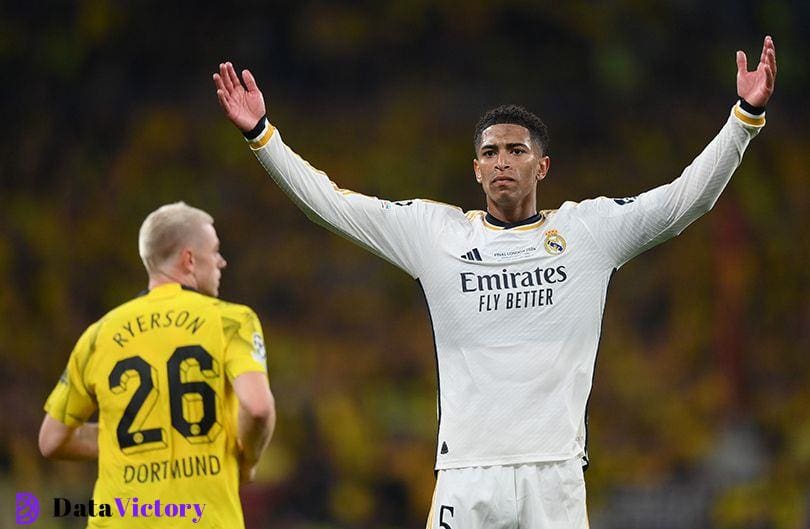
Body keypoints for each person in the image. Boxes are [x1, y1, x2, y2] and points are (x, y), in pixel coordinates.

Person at [213, 35, 776, 528]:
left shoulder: (589, 231)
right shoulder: (435, 234)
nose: (502, 160)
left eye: (516, 150)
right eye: (490, 152)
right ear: (476, 169)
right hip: (467, 473)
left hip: (553, 473)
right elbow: (329, 204)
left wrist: (742, 121)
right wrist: (263, 135)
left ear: (542, 166)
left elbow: (685, 200)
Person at [39, 202, 275, 528]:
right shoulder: (232, 321)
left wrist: (127, 440)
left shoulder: (98, 335)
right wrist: (248, 458)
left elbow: (51, 440)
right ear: (189, 259)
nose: (221, 261)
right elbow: (258, 406)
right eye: (216, 250)